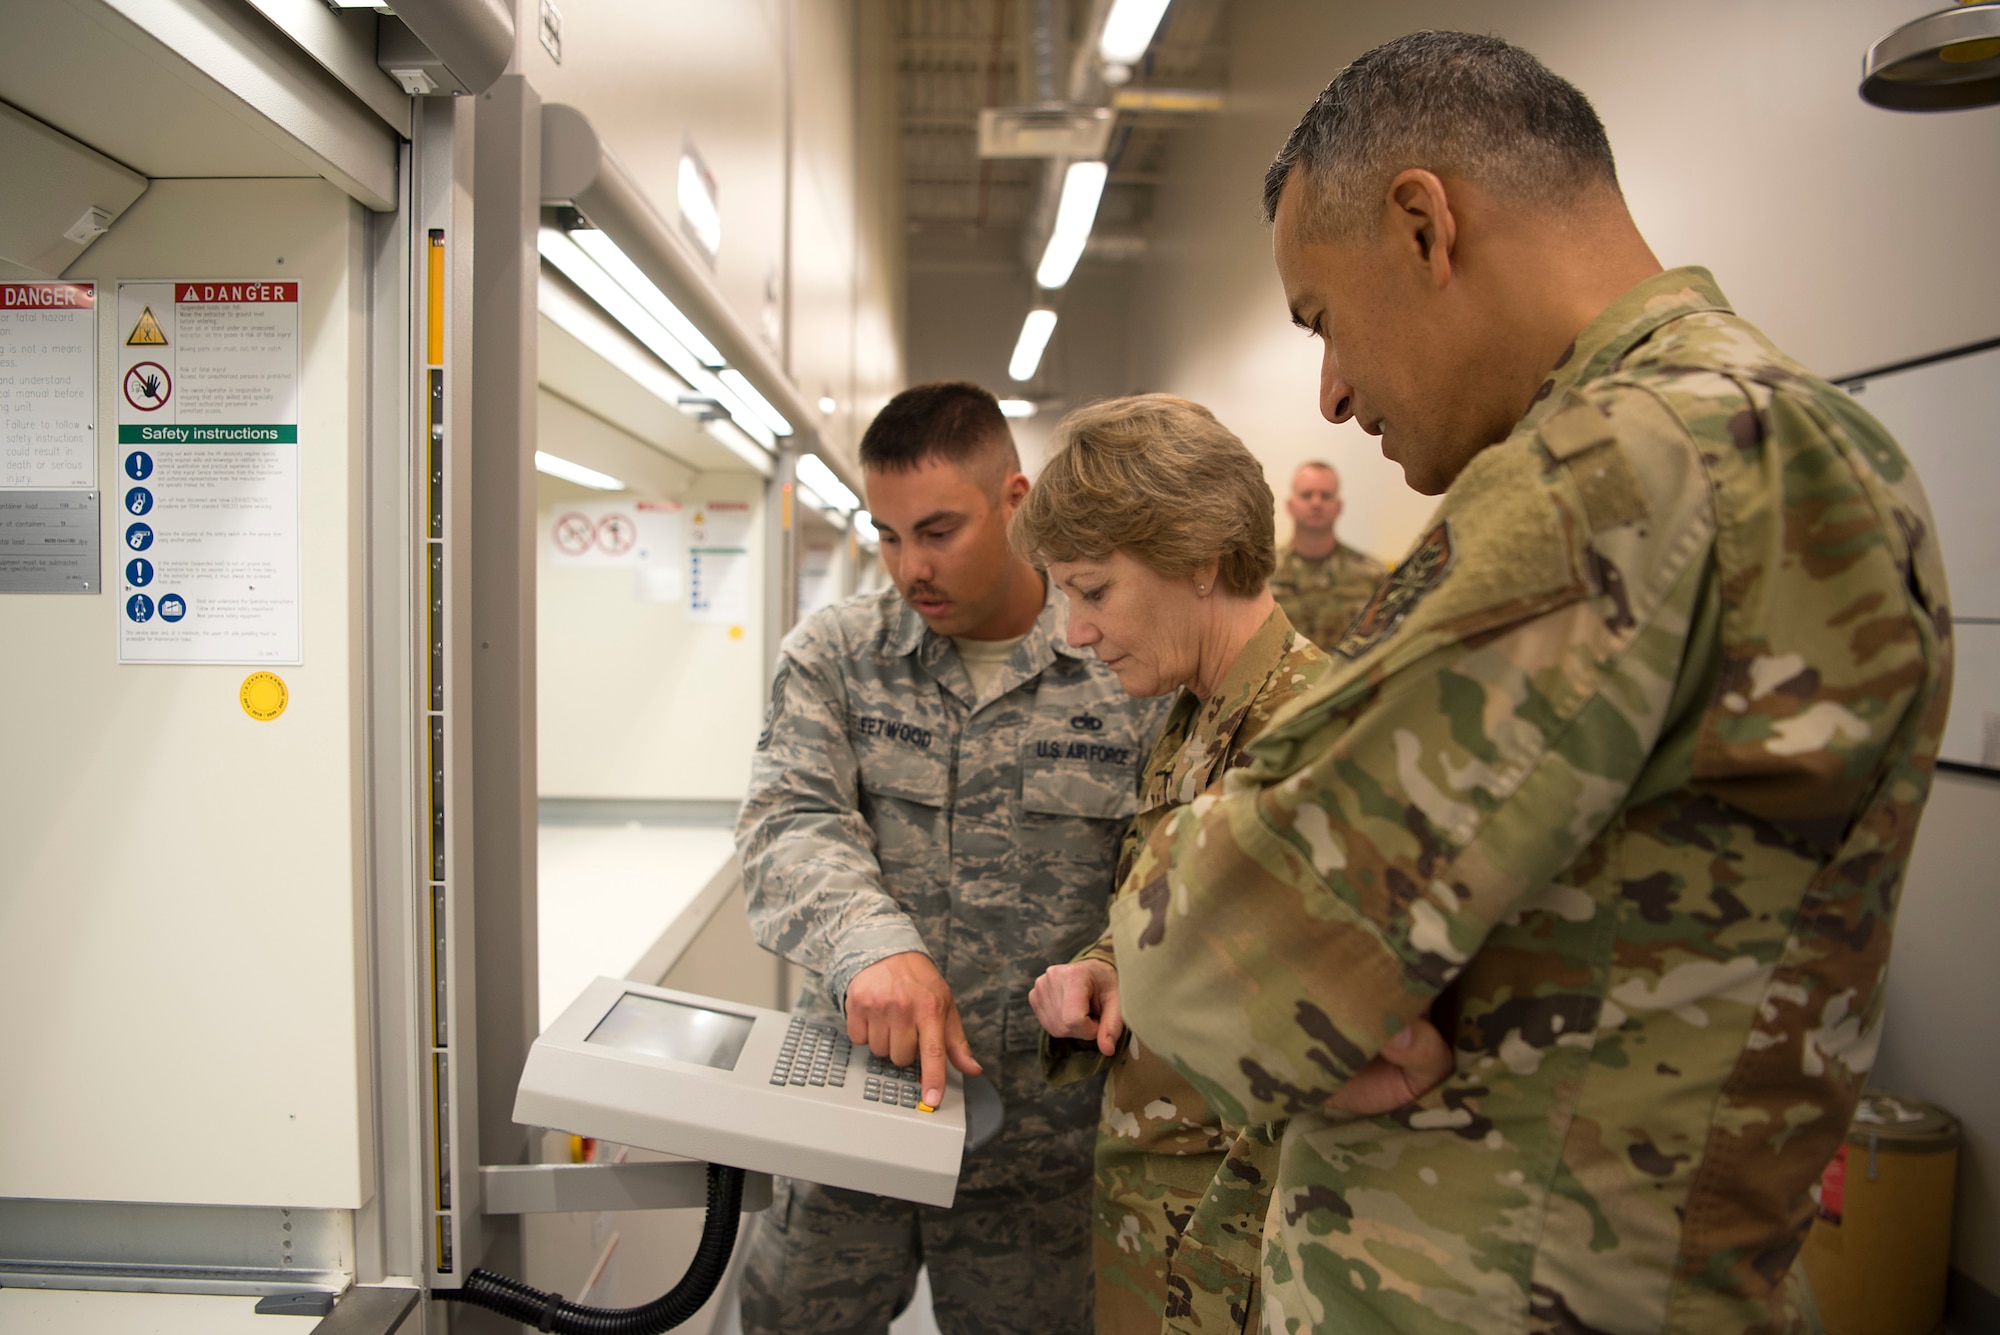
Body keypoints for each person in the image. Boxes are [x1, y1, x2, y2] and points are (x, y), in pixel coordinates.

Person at [1109, 31, 1953, 1335]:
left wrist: (1270, 932)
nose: (1328, 394)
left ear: (1423, 225)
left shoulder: (1619, 466)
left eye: (1323, 320)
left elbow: (1203, 957)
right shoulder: (1809, 438)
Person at [736, 381, 1171, 1335]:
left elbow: (1163, 861)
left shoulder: (1117, 657)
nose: (908, 566)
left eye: (937, 530)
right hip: (853, 1110)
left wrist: (1109, 962)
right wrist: (872, 946)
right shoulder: (839, 656)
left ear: (1016, 501)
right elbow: (788, 822)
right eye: (887, 534)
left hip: (1042, 1145)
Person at [1015, 394, 1453, 1335]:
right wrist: (1105, 965)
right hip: (1164, 1234)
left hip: (1245, 1265)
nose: (1074, 633)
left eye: (1093, 591)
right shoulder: (1190, 716)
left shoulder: (1312, 745)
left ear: (1200, 558)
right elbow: (1159, 905)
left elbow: (1382, 1048)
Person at [1268, 460, 1386, 649]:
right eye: (1307, 495)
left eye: (1325, 495)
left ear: (1338, 506)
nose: (1316, 502)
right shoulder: (1263, 571)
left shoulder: (1372, 574)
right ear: (1290, 505)